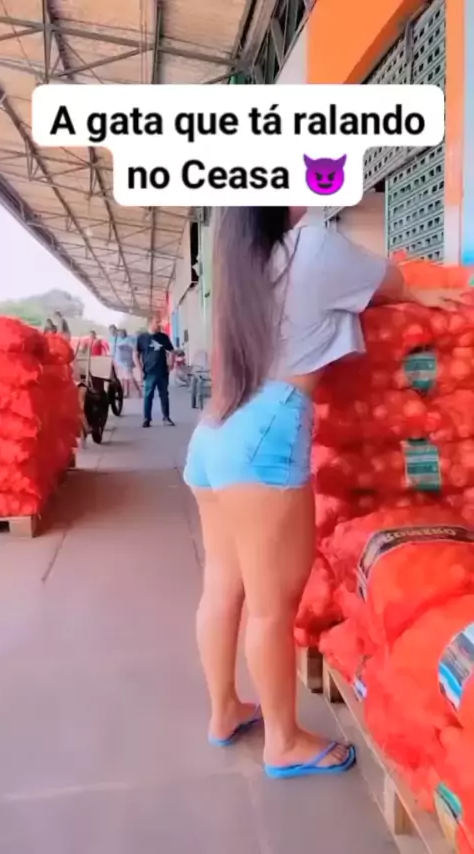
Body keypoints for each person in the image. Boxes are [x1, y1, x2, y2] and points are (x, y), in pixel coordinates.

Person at [182, 207, 469, 780]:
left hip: (214, 434)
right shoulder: (312, 247)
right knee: (272, 606)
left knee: (222, 587)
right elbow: (391, 282)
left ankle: (224, 712)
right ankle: (283, 742)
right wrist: (418, 292)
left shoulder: (243, 267)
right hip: (266, 434)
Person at [136, 317, 175, 427]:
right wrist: (140, 369)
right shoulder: (142, 338)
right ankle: (146, 419)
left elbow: (171, 351)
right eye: (157, 322)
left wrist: (171, 364)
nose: (159, 324)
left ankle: (166, 417)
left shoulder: (163, 337)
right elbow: (135, 354)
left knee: (164, 395)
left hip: (162, 371)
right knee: (148, 395)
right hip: (149, 372)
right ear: (150, 324)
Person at [115, 328, 141, 398]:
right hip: (120, 361)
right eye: (119, 333)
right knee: (124, 378)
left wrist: (124, 347)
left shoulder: (129, 339)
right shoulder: (119, 340)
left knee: (130, 377)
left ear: (125, 333)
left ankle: (139, 391)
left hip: (127, 361)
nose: (120, 334)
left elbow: (133, 348)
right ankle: (126, 393)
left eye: (121, 333)